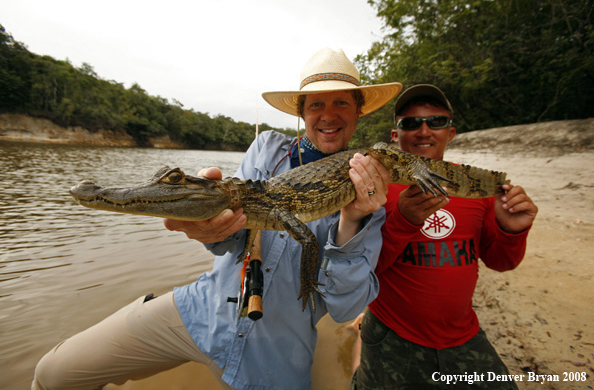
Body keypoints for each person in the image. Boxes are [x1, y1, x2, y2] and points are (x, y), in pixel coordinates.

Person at [32, 48, 403, 390]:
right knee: (53, 373)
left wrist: (352, 219)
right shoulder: (267, 148)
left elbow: (345, 308)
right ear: (301, 112)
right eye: (316, 103)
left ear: (359, 112)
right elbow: (228, 242)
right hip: (204, 310)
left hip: (275, 353)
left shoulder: (370, 185)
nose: (328, 114)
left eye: (341, 102)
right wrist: (208, 229)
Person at [351, 84, 538, 389]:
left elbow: (501, 261)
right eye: (410, 123)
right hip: (391, 332)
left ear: (450, 133)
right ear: (395, 135)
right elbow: (361, 269)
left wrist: (512, 230)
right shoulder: (375, 185)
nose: (424, 131)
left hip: (462, 335)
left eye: (435, 121)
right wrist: (403, 220)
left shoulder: (473, 187)